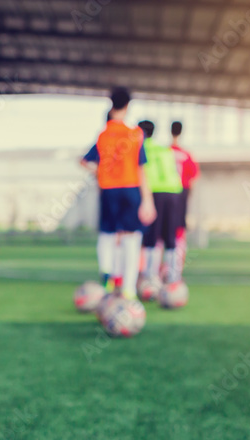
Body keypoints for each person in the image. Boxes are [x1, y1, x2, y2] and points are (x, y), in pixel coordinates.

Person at [80, 89, 156, 300]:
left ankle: (107, 278)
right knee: (131, 237)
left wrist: (99, 171)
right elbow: (141, 168)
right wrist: (148, 200)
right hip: (130, 190)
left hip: (108, 190)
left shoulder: (103, 136)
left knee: (107, 235)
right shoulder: (135, 134)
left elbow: (84, 161)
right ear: (128, 106)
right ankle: (129, 289)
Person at [138, 120, 184, 285]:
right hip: (174, 193)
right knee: (170, 236)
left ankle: (150, 277)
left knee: (152, 236)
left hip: (154, 193)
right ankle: (173, 277)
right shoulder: (164, 149)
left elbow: (140, 173)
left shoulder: (141, 148)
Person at [170, 121, 200, 279]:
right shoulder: (186, 155)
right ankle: (175, 273)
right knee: (179, 234)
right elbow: (193, 178)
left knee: (160, 235)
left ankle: (156, 273)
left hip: (164, 194)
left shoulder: (165, 152)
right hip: (181, 195)